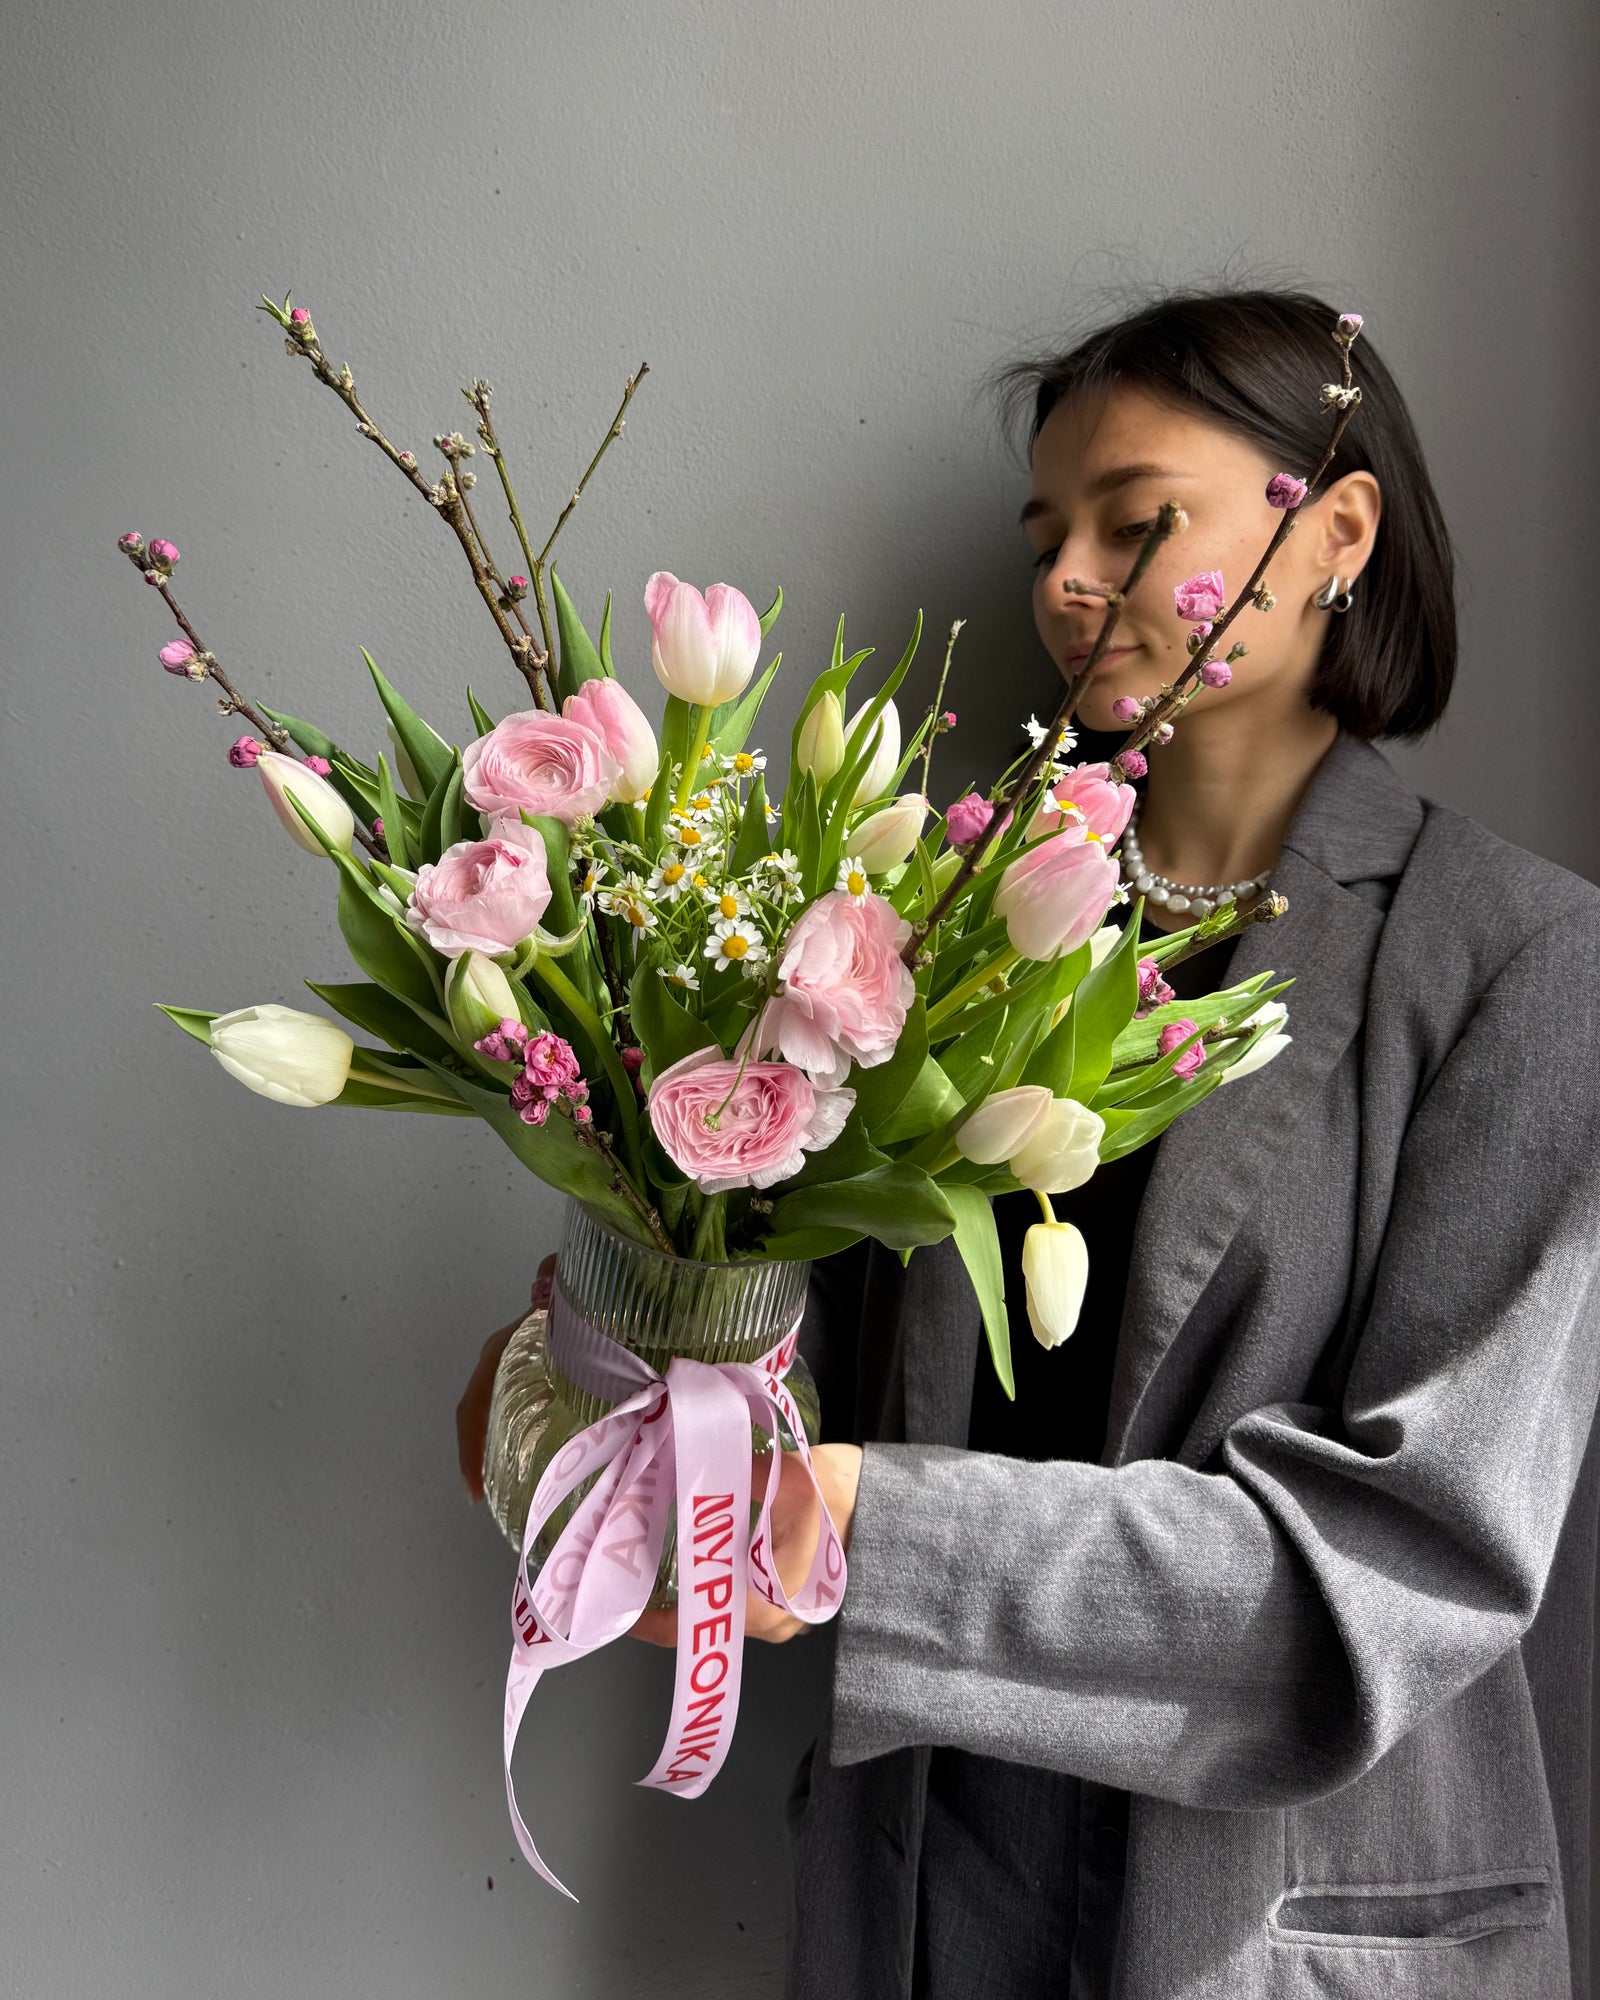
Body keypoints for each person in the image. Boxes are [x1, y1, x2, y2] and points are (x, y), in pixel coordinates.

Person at [457, 289, 1600, 1999]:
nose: (1069, 578)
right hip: (930, 1892)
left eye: (1137, 524)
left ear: (1339, 531)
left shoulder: (1520, 962)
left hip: (1277, 1931)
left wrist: (859, 1528)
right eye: (1048, 534)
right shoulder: (937, 920)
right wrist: (608, 1397)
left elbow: (1407, 1562)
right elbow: (803, 1343)